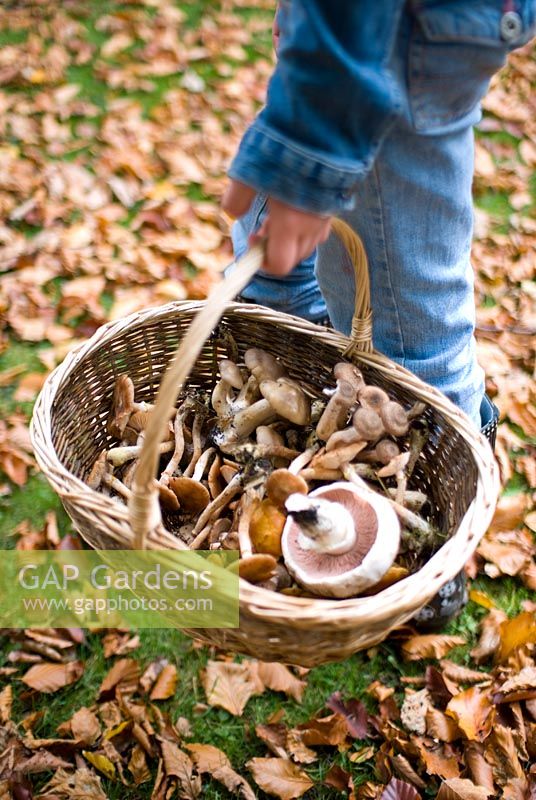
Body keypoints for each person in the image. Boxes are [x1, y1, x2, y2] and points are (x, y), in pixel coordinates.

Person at [223, 1, 534, 628]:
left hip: (392, 29)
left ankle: (431, 540)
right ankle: (288, 429)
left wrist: (319, 130)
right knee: (275, 259)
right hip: (351, 34)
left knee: (408, 318)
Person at [223, 0, 535, 432]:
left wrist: (327, 118)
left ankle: (436, 480)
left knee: (413, 361)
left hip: (397, 30)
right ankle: (295, 409)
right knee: (280, 279)